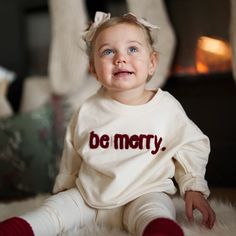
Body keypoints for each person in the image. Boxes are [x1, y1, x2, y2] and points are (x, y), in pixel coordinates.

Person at [0, 11, 216, 236]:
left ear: (152, 63)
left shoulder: (166, 108)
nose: (120, 58)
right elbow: (73, 154)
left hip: (144, 193)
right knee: (52, 212)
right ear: (93, 69)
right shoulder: (88, 109)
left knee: (157, 213)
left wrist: (193, 187)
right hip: (89, 196)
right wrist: (64, 188)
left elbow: (190, 145)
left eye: (132, 49)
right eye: (108, 51)